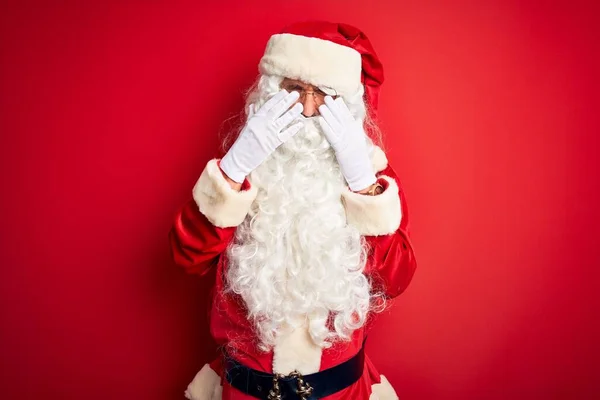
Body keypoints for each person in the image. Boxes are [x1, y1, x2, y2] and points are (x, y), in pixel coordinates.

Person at [169, 20, 417, 400]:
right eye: (294, 90)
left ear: (347, 107)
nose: (306, 108)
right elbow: (185, 257)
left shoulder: (372, 179)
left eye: (323, 95)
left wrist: (361, 181)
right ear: (271, 95)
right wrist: (234, 169)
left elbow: (396, 279)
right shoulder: (240, 168)